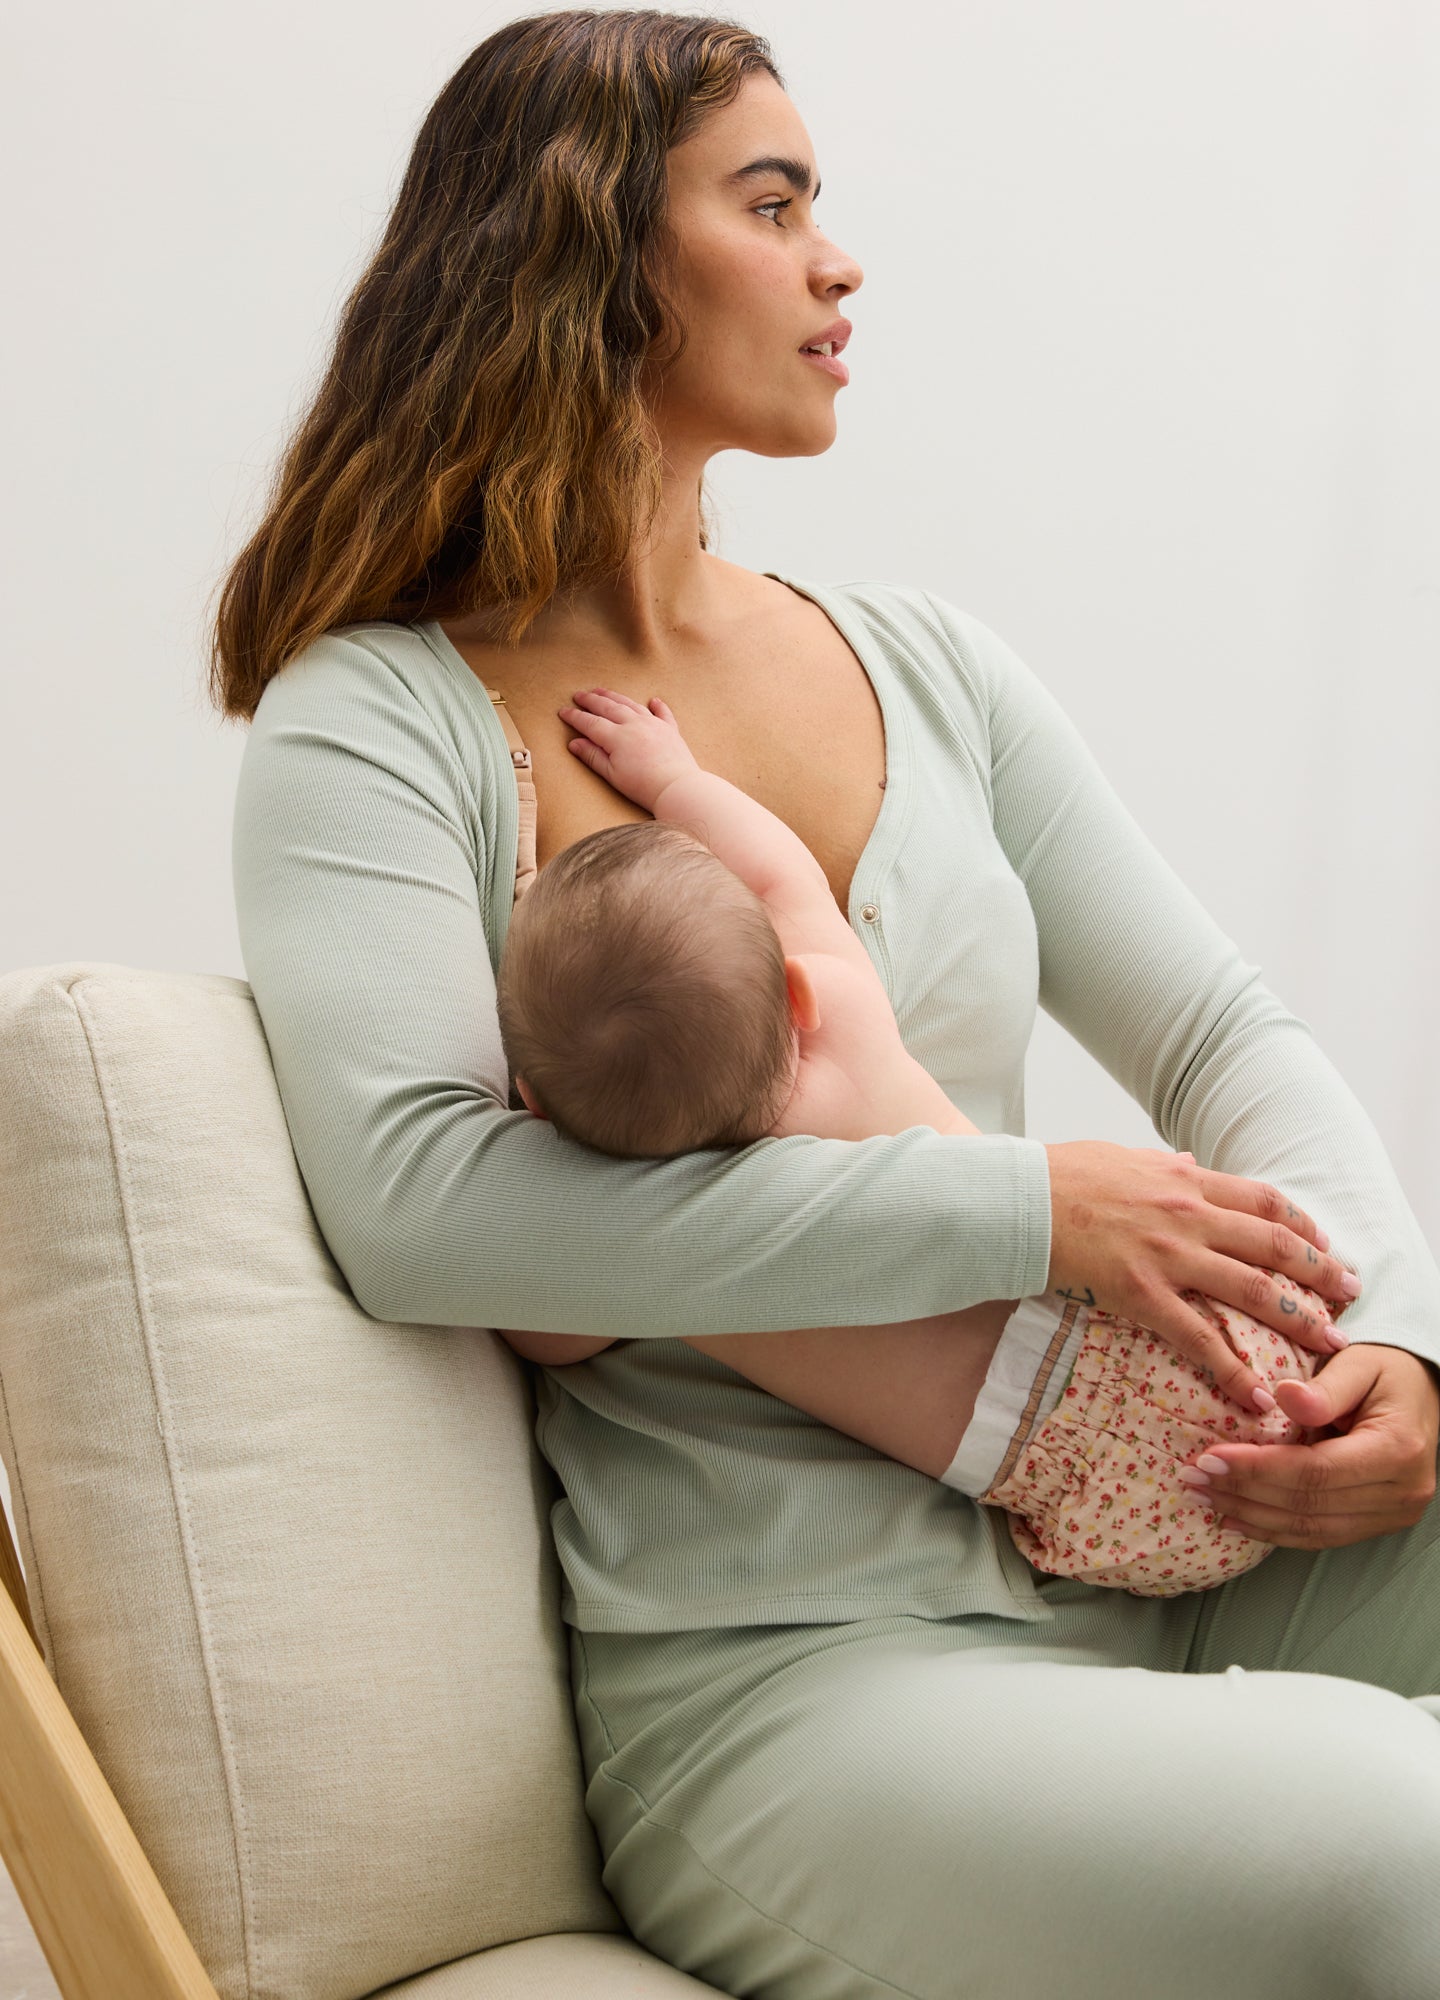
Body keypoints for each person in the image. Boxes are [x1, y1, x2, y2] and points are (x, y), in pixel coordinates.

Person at [220, 12, 1440, 1996]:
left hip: (1171, 1547)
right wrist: (1030, 1208)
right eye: (770, 204)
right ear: (589, 248)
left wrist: (1396, 1344)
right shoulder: (374, 724)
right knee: (1407, 1849)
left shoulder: (929, 664)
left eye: (820, 206)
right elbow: (433, 1214)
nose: (838, 260)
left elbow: (1226, 1034)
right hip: (798, 1676)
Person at [489, 681, 1356, 1597]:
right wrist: (673, 781)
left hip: (1116, 1507)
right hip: (1196, 1337)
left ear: (539, 1104)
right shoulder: (843, 1015)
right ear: (795, 996)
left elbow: (538, 1327)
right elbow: (778, 872)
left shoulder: (656, 1245)